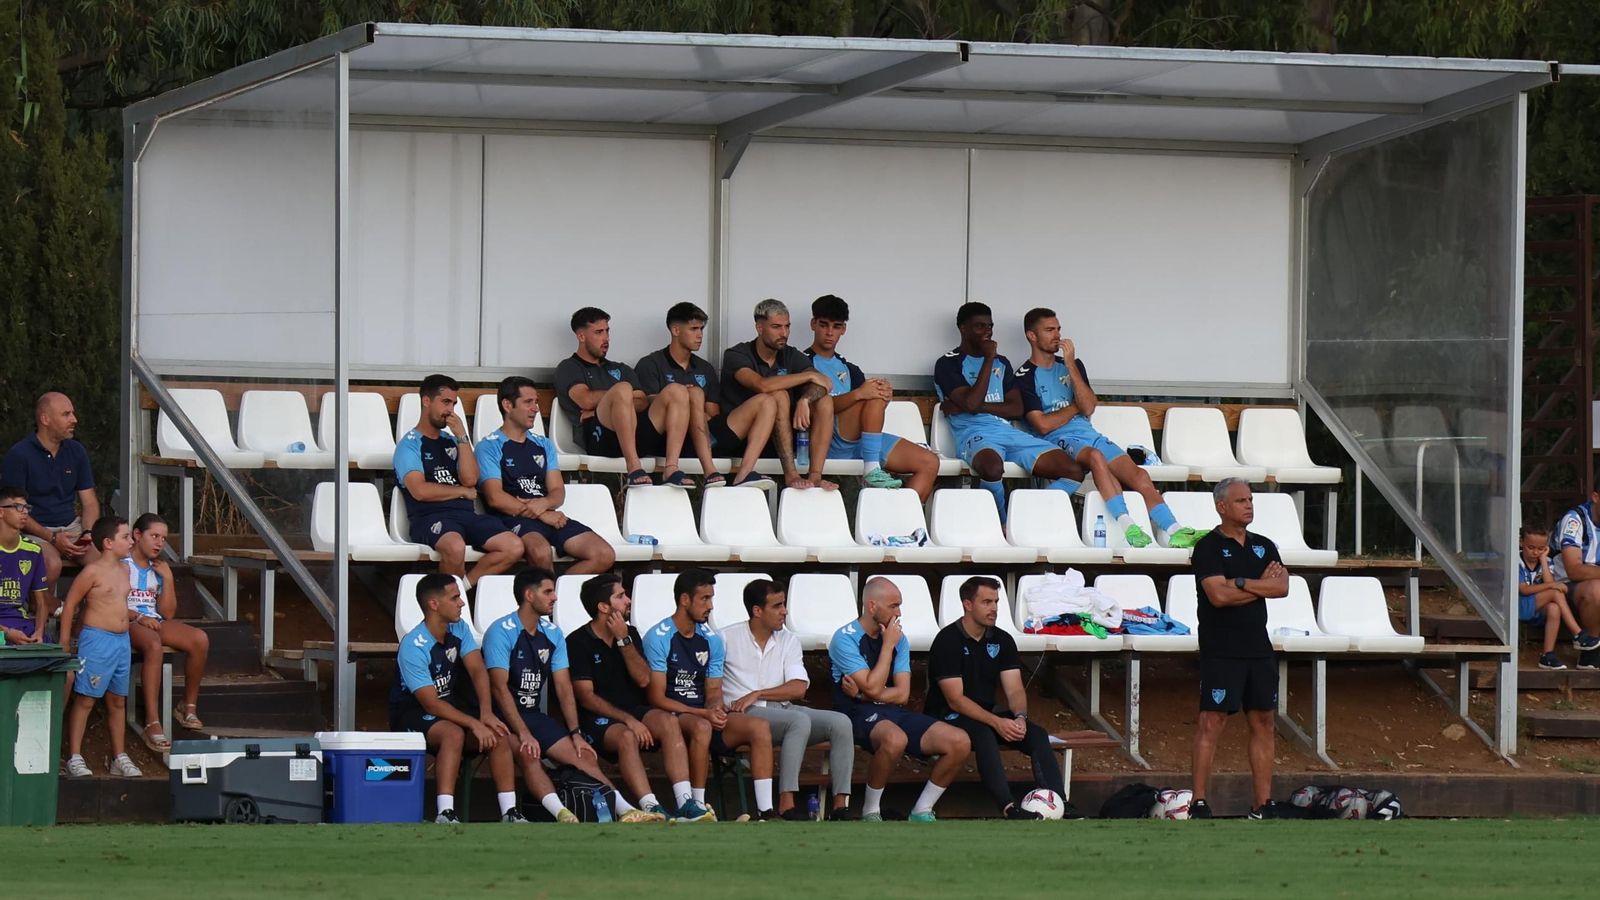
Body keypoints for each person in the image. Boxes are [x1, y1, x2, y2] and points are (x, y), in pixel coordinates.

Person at [483, 567, 663, 823]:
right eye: (548, 592)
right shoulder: (501, 631)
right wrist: (523, 732)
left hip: (532, 715)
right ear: (529, 595)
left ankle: (625, 810)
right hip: (501, 716)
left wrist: (575, 733)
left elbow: (564, 688)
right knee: (529, 753)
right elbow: (499, 688)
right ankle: (558, 814)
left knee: (582, 755)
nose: (554, 597)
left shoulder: (552, 633)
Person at [1016, 308, 1206, 549]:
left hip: (1089, 434)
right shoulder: (1024, 376)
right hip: (1058, 439)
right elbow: (1043, 425)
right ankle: (1128, 526)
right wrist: (1076, 407)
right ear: (1032, 336)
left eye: (1059, 329)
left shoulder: (1072, 365)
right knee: (1095, 457)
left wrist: (1071, 365)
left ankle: (1175, 531)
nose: (1058, 335)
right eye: (1049, 330)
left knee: (1139, 475)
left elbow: (1088, 407)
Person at [927, 575, 1081, 820]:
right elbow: (955, 699)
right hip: (947, 715)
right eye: (986, 602)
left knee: (1036, 734)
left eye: (996, 602)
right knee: (984, 733)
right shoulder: (947, 641)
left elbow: (1015, 690)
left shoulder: (1002, 640)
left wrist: (1019, 717)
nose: (994, 608)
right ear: (968, 604)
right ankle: (1009, 807)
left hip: (986, 713)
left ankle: (1059, 803)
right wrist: (997, 722)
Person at [566, 573, 710, 822]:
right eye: (620, 596)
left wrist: (624, 640)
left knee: (668, 721)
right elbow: (586, 697)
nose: (628, 600)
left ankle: (686, 802)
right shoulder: (577, 641)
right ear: (603, 607)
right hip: (597, 719)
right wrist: (628, 720)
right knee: (626, 736)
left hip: (635, 710)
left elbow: (644, 680)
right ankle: (650, 806)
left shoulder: (630, 633)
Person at [829, 577, 971, 822]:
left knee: (959, 741)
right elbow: (874, 685)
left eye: (899, 605)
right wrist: (886, 648)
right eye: (893, 606)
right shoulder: (845, 638)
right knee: (895, 739)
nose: (899, 613)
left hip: (889, 710)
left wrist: (865, 693)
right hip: (854, 713)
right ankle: (870, 812)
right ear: (872, 606)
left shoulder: (899, 640)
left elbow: (902, 694)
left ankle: (921, 810)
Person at [391, 573, 529, 823]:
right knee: (452, 734)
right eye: (455, 598)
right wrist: (474, 723)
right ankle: (445, 812)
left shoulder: (459, 628)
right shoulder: (413, 645)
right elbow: (430, 703)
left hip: (449, 708)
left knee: (498, 734)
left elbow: (478, 670)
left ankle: (509, 813)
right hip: (412, 713)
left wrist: (486, 714)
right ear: (434, 604)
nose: (462, 603)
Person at [1188, 477, 1288, 820]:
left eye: (1250, 500)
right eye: (1241, 500)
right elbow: (1218, 595)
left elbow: (1282, 587)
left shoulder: (1264, 546)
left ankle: (1262, 804)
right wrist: (1260, 587)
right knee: (1212, 720)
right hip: (1221, 647)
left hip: (1258, 647)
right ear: (1222, 507)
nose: (1249, 505)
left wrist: (1241, 583)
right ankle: (1198, 802)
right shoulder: (1208, 548)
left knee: (1264, 720)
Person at [643, 568, 776, 821]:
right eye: (704, 599)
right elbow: (656, 698)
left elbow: (714, 690)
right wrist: (704, 713)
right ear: (685, 600)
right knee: (702, 726)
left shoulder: (711, 640)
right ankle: (697, 805)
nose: (711, 606)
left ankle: (766, 812)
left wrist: (715, 708)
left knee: (759, 727)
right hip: (671, 713)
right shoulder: (658, 637)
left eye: (712, 598)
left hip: (703, 714)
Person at [933, 302, 1086, 517]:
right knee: (992, 468)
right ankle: (1001, 523)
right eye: (980, 326)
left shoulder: (1002, 362)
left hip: (1008, 432)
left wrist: (971, 406)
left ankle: (1025, 516)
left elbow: (1016, 408)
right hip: (973, 433)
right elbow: (972, 402)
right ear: (963, 329)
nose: (987, 331)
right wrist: (988, 360)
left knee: (1073, 470)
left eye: (990, 326)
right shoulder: (948, 363)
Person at [721, 577, 855, 820]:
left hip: (782, 708)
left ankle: (839, 807)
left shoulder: (789, 639)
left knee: (841, 722)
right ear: (757, 611)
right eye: (777, 606)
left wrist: (759, 693)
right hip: (744, 714)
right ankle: (786, 803)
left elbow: (799, 687)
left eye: (784, 604)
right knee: (798, 721)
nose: (785, 611)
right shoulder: (726, 638)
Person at [805, 295, 941, 500]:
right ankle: (871, 468)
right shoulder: (803, 363)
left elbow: (868, 407)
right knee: (870, 393)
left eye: (836, 326)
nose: (830, 332)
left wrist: (884, 397)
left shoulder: (850, 369)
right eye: (824, 325)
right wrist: (859, 394)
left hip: (863, 441)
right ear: (813, 324)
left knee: (929, 463)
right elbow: (813, 409)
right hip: (829, 441)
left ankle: (901, 516)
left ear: (843, 329)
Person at [476, 377, 616, 575]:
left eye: (536, 402)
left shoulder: (544, 444)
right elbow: (495, 498)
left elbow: (558, 491)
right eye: (528, 402)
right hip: (512, 518)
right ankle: (548, 593)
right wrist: (542, 513)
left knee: (604, 554)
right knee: (540, 552)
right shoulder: (489, 446)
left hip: (549, 515)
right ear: (507, 405)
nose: (535, 409)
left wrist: (545, 504)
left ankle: (557, 590)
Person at [394, 374, 522, 588]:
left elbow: (470, 480)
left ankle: (462, 589)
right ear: (426, 401)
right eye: (445, 402)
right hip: (429, 517)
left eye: (453, 404)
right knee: (455, 546)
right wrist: (461, 492)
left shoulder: (453, 441)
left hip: (466, 516)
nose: (450, 410)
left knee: (513, 547)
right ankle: (449, 601)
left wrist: (462, 437)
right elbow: (419, 491)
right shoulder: (409, 444)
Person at [634, 302, 776, 488]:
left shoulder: (705, 368)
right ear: (676, 330)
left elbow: (713, 413)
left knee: (767, 401)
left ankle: (744, 473)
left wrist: (695, 408)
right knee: (685, 393)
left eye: (701, 329)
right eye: (694, 329)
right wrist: (684, 398)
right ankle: (676, 468)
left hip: (703, 435)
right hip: (664, 439)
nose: (700, 335)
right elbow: (649, 405)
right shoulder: (650, 363)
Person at [556, 307, 686, 488]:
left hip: (635, 434)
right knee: (623, 388)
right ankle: (633, 468)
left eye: (607, 331)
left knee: (677, 390)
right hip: (600, 440)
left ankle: (671, 469)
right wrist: (617, 397)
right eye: (598, 332)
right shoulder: (569, 367)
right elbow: (585, 399)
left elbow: (642, 402)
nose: (606, 338)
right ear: (581, 336)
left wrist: (615, 403)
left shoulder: (621, 368)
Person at [722, 299, 838, 492]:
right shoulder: (737, 354)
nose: (784, 333)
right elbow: (762, 385)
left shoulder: (790, 354)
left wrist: (805, 399)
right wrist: (809, 375)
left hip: (779, 439)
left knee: (824, 401)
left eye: (787, 326)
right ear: (760, 328)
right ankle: (791, 475)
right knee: (778, 395)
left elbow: (824, 384)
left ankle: (816, 475)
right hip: (740, 439)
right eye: (776, 327)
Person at [59, 517, 141, 778]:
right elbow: (70, 605)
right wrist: (64, 641)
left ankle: (119, 756)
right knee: (86, 698)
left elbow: (118, 603)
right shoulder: (91, 572)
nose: (131, 541)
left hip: (122, 641)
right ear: (108, 543)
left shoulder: (126, 569)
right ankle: (74, 756)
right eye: (125, 537)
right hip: (96, 641)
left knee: (118, 700)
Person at [125, 514, 211, 753]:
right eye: (154, 536)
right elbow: (110, 601)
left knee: (199, 639)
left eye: (163, 538)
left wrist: (169, 579)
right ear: (137, 535)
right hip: (127, 619)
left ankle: (187, 706)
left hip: (155, 620)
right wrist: (139, 617)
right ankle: (152, 721)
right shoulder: (123, 563)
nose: (159, 543)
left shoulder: (158, 568)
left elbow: (168, 613)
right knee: (153, 644)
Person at [3, 391, 99, 589]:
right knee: (50, 564)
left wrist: (88, 533)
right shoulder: (19, 455)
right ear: (45, 419)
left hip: (72, 528)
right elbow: (13, 510)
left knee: (105, 562)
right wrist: (52, 538)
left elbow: (89, 502)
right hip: (34, 531)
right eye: (66, 414)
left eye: (73, 413)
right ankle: (47, 607)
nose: (74, 419)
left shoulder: (76, 451)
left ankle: (78, 610)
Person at [1518, 524, 1600, 670]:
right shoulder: (1516, 561)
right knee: (1555, 592)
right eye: (1531, 547)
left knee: (1554, 608)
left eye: (1541, 549)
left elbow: (1549, 582)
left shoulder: (1546, 561)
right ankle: (1577, 633)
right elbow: (1524, 590)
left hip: (1536, 608)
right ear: (1521, 542)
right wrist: (1552, 586)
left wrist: (1543, 560)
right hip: (1518, 606)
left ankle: (1547, 655)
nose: (1535, 552)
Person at [1554, 486, 1600, 670]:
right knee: (1596, 590)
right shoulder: (1575, 519)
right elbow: (1574, 571)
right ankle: (1591, 650)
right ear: (1595, 497)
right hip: (1565, 588)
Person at [0, 486, 51, 645]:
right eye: (18, 507)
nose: (25, 512)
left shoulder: (33, 550)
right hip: (3, 630)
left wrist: (39, 631)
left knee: (54, 654)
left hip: (21, 623)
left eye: (26, 507)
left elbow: (41, 603)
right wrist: (6, 633)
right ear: (1, 512)